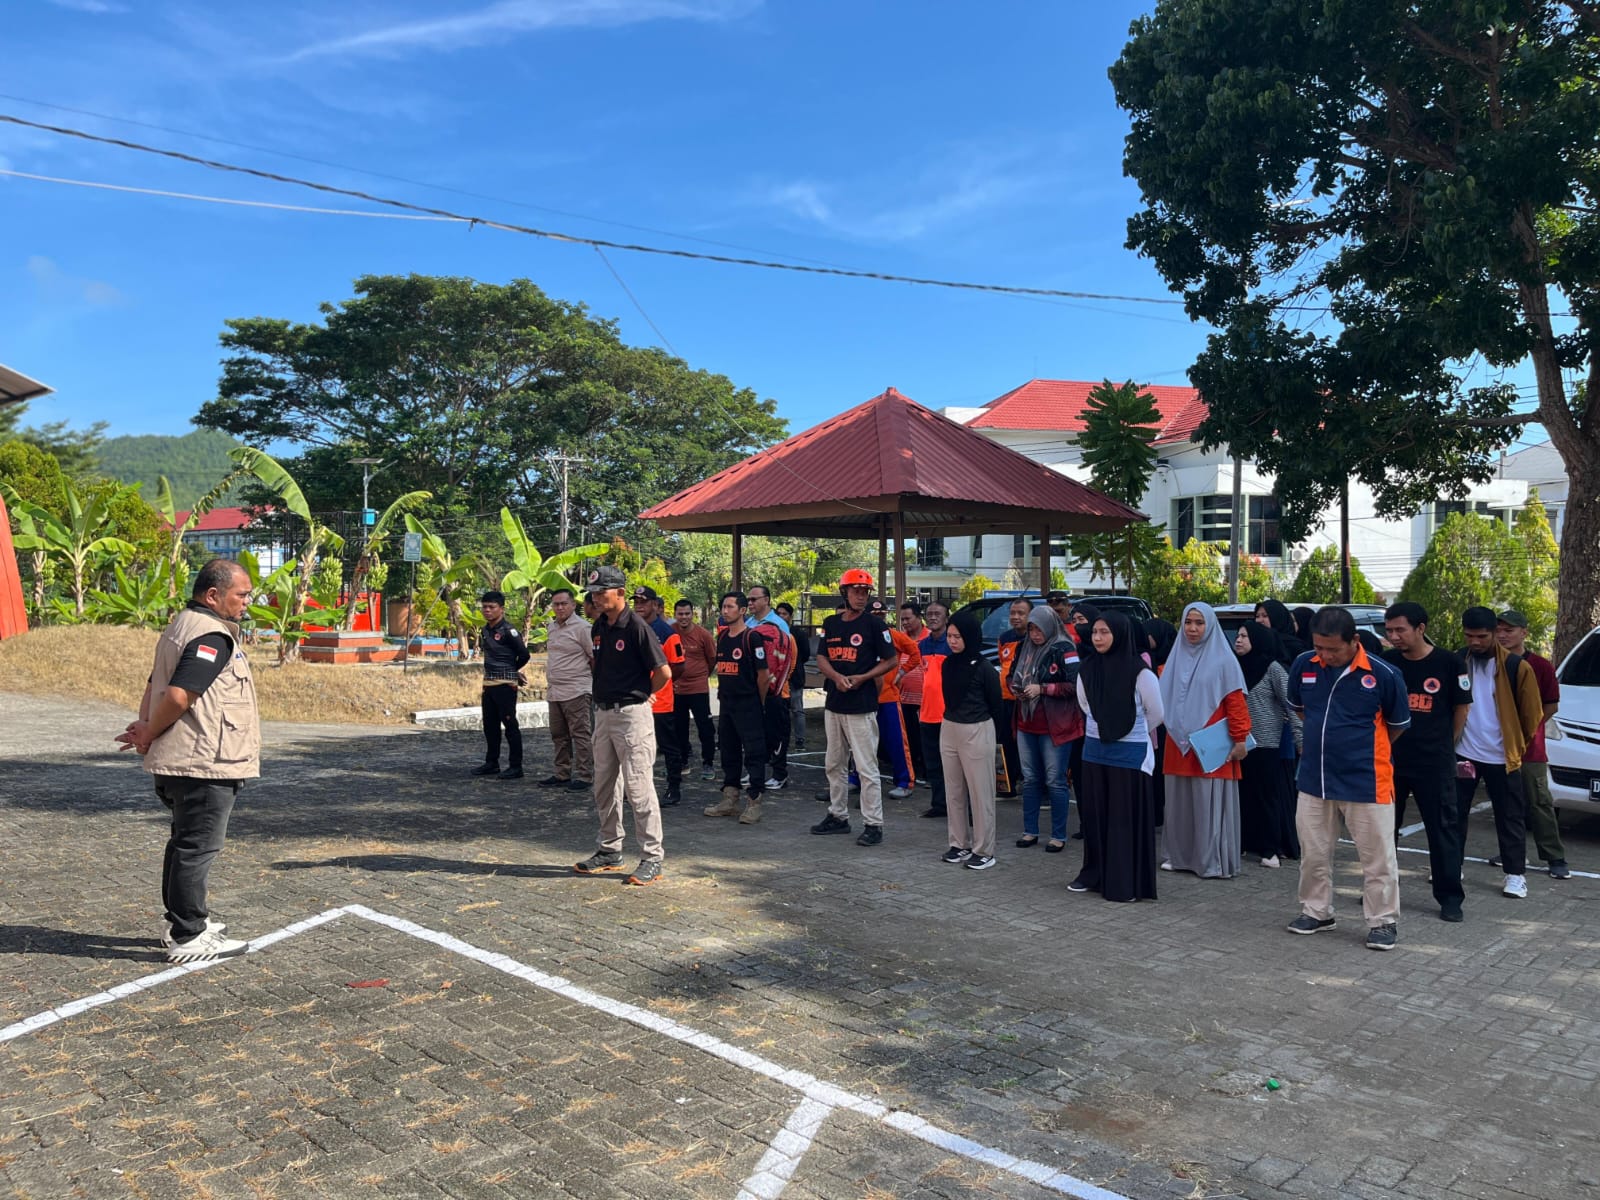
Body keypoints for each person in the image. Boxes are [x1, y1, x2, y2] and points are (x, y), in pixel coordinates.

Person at [116, 559, 256, 963]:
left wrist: (147, 726)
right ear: (213, 595)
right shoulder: (211, 635)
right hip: (202, 762)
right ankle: (188, 935)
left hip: (184, 759)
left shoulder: (182, 625)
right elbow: (178, 695)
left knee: (183, 843)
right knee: (197, 847)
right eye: (241, 595)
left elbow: (153, 684)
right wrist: (147, 732)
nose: (247, 602)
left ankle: (181, 921)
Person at [1286, 606, 1411, 949]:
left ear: (1354, 640)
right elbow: (1300, 710)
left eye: (1333, 649)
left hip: (1367, 780)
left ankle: (1382, 921)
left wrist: (1358, 748)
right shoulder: (1304, 665)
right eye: (1319, 647)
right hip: (1314, 779)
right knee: (1313, 853)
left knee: (1377, 858)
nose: (1325, 656)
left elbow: (1397, 726)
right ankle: (1316, 911)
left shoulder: (1384, 674)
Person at [575, 567, 670, 885]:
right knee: (604, 786)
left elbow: (664, 672)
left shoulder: (637, 627)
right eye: (593, 593)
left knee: (638, 788)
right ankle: (609, 849)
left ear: (620, 592)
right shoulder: (599, 626)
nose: (596, 598)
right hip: (603, 714)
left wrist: (644, 695)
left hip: (631, 716)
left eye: (601, 592)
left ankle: (652, 857)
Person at [1382, 602, 1471, 920]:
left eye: (1400, 630)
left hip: (1434, 763)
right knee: (1383, 830)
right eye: (1389, 630)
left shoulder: (1450, 663)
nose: (1394, 636)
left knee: (1443, 830)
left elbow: (1461, 708)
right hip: (1391, 762)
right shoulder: (1387, 663)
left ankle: (1450, 897)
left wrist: (1447, 744)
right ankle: (1381, 892)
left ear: (1421, 628)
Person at [1073, 612, 1165, 901]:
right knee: (1096, 817)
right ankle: (1095, 874)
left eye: (1105, 632)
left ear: (1120, 634)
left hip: (1129, 755)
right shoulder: (1087, 669)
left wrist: (1129, 730)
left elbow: (1156, 713)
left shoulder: (1141, 673)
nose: (1097, 638)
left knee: (1123, 820)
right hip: (1095, 751)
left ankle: (1125, 883)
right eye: (1095, 632)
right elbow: (1085, 705)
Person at [1456, 606, 1545, 899]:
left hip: (1502, 757)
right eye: (1469, 636)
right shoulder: (1457, 660)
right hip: (1464, 753)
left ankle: (1515, 875)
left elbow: (1533, 714)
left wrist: (1515, 745)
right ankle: (1451, 866)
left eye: (1482, 636)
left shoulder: (1517, 667)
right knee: (1454, 813)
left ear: (1494, 633)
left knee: (1510, 817)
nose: (1475, 642)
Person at [1159, 602, 1250, 879]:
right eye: (1188, 622)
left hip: (1210, 744)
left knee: (1207, 802)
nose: (1193, 628)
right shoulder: (1174, 658)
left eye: (1199, 623)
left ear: (1210, 626)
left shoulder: (1224, 660)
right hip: (1177, 743)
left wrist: (1240, 739)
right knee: (1179, 803)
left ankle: (1211, 861)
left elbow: (1235, 702)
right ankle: (1178, 856)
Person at [812, 569, 898, 846]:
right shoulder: (831, 623)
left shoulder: (875, 625)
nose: (861, 596)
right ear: (844, 592)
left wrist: (863, 677)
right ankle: (838, 815)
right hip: (835, 703)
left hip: (861, 705)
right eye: (856, 591)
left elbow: (891, 660)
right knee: (834, 763)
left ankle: (874, 824)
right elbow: (822, 657)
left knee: (866, 767)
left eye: (865, 592)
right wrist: (836, 677)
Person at [1496, 609, 1569, 879]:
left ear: (1524, 633)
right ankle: (1512, 852)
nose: (1502, 636)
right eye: (1498, 630)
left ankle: (1554, 856)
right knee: (1506, 804)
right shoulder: (1489, 662)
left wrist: (1528, 728)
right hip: (1495, 747)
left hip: (1530, 749)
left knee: (1539, 802)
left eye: (1509, 630)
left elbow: (1551, 705)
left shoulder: (1540, 666)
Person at [1009, 605, 1081, 852]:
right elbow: (1011, 675)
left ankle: (1058, 835)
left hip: (1054, 726)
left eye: (1039, 629)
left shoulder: (1064, 648)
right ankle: (1030, 831)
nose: (1035, 634)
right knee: (1030, 780)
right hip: (1026, 722)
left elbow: (1075, 685)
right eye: (1031, 629)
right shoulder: (1024, 647)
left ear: (1050, 626)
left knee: (1055, 780)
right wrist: (1016, 688)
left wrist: (1043, 689)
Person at [938, 611, 1005, 870]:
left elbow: (996, 704)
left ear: (970, 636)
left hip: (977, 728)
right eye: (950, 636)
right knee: (954, 790)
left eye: (958, 636)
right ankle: (959, 843)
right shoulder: (948, 663)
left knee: (981, 793)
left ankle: (984, 849)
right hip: (950, 727)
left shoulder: (984, 667)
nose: (952, 641)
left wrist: (996, 736)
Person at [1232, 622, 1300, 868]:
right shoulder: (1234, 667)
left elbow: (1292, 704)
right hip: (1237, 743)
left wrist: (1300, 738)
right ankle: (1243, 842)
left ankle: (1270, 849)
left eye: (1245, 636)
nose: (1238, 640)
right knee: (1242, 795)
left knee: (1266, 796)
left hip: (1266, 743)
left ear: (1258, 639)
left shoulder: (1273, 668)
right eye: (1238, 635)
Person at [703, 592, 769, 824]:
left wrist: (759, 702)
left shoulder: (752, 637)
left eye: (730, 607)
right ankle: (730, 799)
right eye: (723, 606)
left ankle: (754, 803)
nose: (725, 610)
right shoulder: (722, 637)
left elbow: (764, 676)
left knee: (754, 753)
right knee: (728, 751)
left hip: (748, 704)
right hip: (726, 704)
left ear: (742, 611)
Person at [860, 598, 919, 799]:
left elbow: (915, 653)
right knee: (861, 743)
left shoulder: (893, 635)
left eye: (882, 615)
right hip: (864, 698)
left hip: (888, 698)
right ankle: (856, 779)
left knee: (896, 742)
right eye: (875, 615)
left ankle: (905, 781)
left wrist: (901, 673)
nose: (879, 619)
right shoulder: (859, 636)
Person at [633, 587, 687, 806]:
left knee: (668, 746)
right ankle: (638, 789)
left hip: (661, 702)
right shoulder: (631, 628)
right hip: (636, 700)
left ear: (655, 605)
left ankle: (674, 788)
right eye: (636, 602)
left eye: (644, 602)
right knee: (636, 748)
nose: (639, 606)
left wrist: (660, 686)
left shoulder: (666, 632)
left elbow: (678, 666)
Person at [472, 590, 530, 780]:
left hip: (505, 685)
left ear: (501, 609)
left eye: (491, 607)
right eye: (484, 607)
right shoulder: (485, 630)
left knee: (510, 725)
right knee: (490, 726)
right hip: (489, 684)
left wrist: (512, 670)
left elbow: (524, 654)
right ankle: (492, 763)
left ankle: (516, 766)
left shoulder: (508, 631)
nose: (487, 610)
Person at [541, 588, 593, 791]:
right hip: (555, 691)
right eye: (556, 604)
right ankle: (562, 773)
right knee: (558, 734)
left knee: (580, 734)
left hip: (577, 690)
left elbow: (594, 658)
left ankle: (585, 776)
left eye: (564, 603)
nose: (560, 608)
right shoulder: (551, 627)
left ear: (573, 605)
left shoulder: (583, 628)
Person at [747, 585, 794, 791]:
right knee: (756, 734)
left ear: (766, 600)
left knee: (777, 735)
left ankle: (779, 774)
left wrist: (777, 683)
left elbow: (787, 658)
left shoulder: (779, 624)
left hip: (776, 691)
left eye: (754, 599)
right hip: (755, 690)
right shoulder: (748, 624)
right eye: (748, 599)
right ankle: (755, 771)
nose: (750, 603)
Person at [672, 598, 719, 782]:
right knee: (679, 727)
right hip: (676, 688)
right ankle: (683, 762)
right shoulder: (671, 632)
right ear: (675, 615)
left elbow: (712, 659)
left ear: (693, 614)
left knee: (705, 727)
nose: (684, 617)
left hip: (698, 688)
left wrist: (700, 675)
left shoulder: (703, 635)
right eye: (680, 614)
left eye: (687, 613)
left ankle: (708, 763)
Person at [917, 602, 951, 820]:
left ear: (947, 617)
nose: (933, 617)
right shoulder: (922, 645)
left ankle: (960, 807)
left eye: (937, 614)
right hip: (927, 713)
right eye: (929, 614)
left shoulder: (952, 643)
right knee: (933, 764)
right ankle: (939, 804)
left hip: (949, 714)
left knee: (953, 765)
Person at [995, 597, 1033, 797]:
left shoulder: (1036, 637)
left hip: (1027, 701)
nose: (1016, 617)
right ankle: (1008, 785)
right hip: (1005, 699)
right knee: (1006, 742)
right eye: (1013, 613)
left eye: (1021, 613)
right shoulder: (1004, 637)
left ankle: (1030, 783)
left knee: (1026, 743)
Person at [896, 602, 929, 780]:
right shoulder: (900, 638)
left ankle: (927, 770)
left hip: (925, 700)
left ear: (919, 617)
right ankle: (911, 769)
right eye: (902, 620)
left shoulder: (930, 638)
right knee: (908, 738)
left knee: (925, 738)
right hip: (903, 698)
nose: (905, 623)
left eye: (908, 618)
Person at [777, 602, 808, 751]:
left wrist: (794, 666)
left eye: (784, 614)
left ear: (790, 616)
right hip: (777, 679)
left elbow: (805, 654)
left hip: (794, 677)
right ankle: (780, 740)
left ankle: (800, 740)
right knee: (778, 710)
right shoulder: (772, 632)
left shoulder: (798, 633)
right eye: (779, 613)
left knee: (797, 709)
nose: (781, 616)